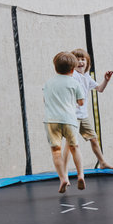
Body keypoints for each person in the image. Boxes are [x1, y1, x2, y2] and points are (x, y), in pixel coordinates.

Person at [63, 48, 113, 170]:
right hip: (72, 116)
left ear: (87, 63)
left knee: (93, 139)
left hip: (83, 116)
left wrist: (106, 80)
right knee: (70, 144)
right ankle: (63, 170)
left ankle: (102, 162)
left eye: (83, 59)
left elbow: (100, 89)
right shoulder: (73, 75)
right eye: (77, 59)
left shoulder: (86, 77)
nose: (81, 62)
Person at [43, 51, 85, 193]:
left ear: (55, 67)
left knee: (56, 151)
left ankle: (63, 178)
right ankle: (80, 175)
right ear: (73, 70)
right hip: (69, 120)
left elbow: (45, 100)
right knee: (74, 147)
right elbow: (81, 102)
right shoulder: (74, 83)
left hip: (51, 121)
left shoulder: (48, 83)